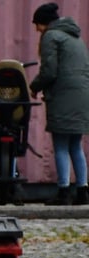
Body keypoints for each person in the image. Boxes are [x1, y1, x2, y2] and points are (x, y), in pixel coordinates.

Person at [29, 2, 89, 205]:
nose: (36, 29)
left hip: (63, 96)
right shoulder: (76, 39)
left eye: (37, 24)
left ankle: (63, 191)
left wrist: (34, 86)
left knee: (61, 144)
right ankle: (83, 191)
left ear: (45, 23)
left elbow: (49, 71)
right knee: (76, 145)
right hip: (81, 96)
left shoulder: (51, 37)